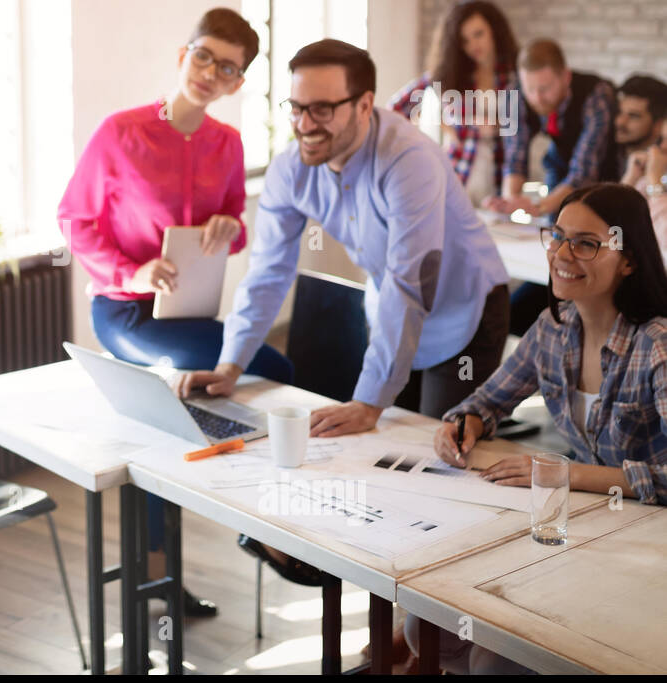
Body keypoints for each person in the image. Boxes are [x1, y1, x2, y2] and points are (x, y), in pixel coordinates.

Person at [175, 38, 510, 581]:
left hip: (464, 309)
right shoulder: (291, 169)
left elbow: (410, 281)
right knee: (374, 459)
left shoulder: (410, 160)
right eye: (297, 107)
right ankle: (380, 609)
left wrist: (370, 399)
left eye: (323, 109)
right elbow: (267, 271)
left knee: (445, 469)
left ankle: (431, 643)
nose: (306, 124)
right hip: (391, 306)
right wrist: (232, 362)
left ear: (364, 104)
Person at [57, 7, 294, 617]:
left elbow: (237, 229)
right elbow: (75, 221)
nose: (211, 73)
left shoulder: (229, 144)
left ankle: (242, 535)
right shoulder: (121, 132)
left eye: (228, 67)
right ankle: (197, 558)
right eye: (204, 56)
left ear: (239, 83)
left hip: (188, 314)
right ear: (183, 54)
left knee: (267, 378)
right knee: (244, 381)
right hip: (126, 315)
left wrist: (227, 226)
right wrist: (129, 272)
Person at [410, 182, 667, 672]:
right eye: (558, 236)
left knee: (491, 663)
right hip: (589, 528)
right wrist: (461, 424)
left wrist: (567, 474)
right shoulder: (555, 326)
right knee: (426, 629)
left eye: (586, 243)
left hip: (648, 544)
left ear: (628, 260)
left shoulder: (657, 345)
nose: (563, 254)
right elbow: (486, 400)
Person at [483, 38, 617, 336]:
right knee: (552, 239)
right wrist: (511, 201)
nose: (537, 98)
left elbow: (584, 173)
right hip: (559, 163)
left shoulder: (597, 94)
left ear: (565, 77)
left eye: (545, 89)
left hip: (606, 177)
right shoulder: (516, 94)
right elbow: (515, 156)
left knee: (582, 241)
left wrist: (537, 206)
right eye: (530, 89)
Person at [389, 0, 520, 207]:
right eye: (464, 40)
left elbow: (529, 122)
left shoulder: (515, 74)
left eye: (478, 34)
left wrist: (495, 126)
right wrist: (432, 136)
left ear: (494, 30)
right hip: (456, 176)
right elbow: (396, 109)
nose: (473, 45)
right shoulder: (451, 74)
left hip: (500, 181)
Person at [618, 75, 667, 255]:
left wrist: (655, 183)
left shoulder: (656, 178)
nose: (660, 147)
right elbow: (610, 222)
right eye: (662, 139)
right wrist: (630, 179)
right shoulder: (648, 173)